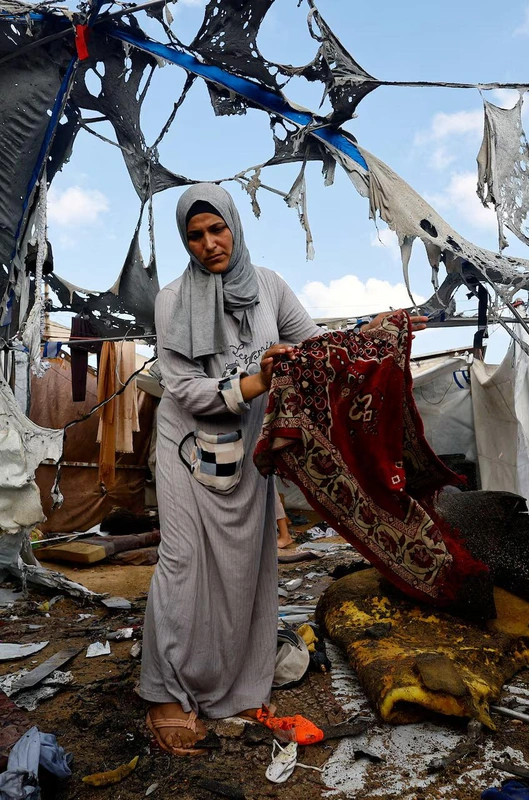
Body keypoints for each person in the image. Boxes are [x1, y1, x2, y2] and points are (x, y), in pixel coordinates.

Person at [139, 183, 424, 755]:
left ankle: (230, 685)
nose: (209, 244)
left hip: (247, 444)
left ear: (235, 227)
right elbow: (185, 388)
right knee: (183, 562)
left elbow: (317, 347)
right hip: (188, 440)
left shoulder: (268, 286)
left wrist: (374, 337)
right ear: (184, 242)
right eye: (195, 236)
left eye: (217, 229)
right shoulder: (172, 299)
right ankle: (164, 693)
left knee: (244, 567)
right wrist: (261, 379)